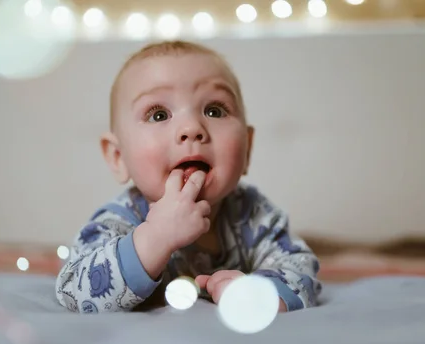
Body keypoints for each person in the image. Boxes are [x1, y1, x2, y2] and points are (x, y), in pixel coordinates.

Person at [55, 40, 321, 313]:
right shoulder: (120, 220)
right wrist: (154, 239)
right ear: (118, 156)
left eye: (214, 110)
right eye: (158, 115)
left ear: (248, 148)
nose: (192, 128)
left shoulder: (252, 215)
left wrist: (262, 293)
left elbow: (300, 267)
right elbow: (72, 288)